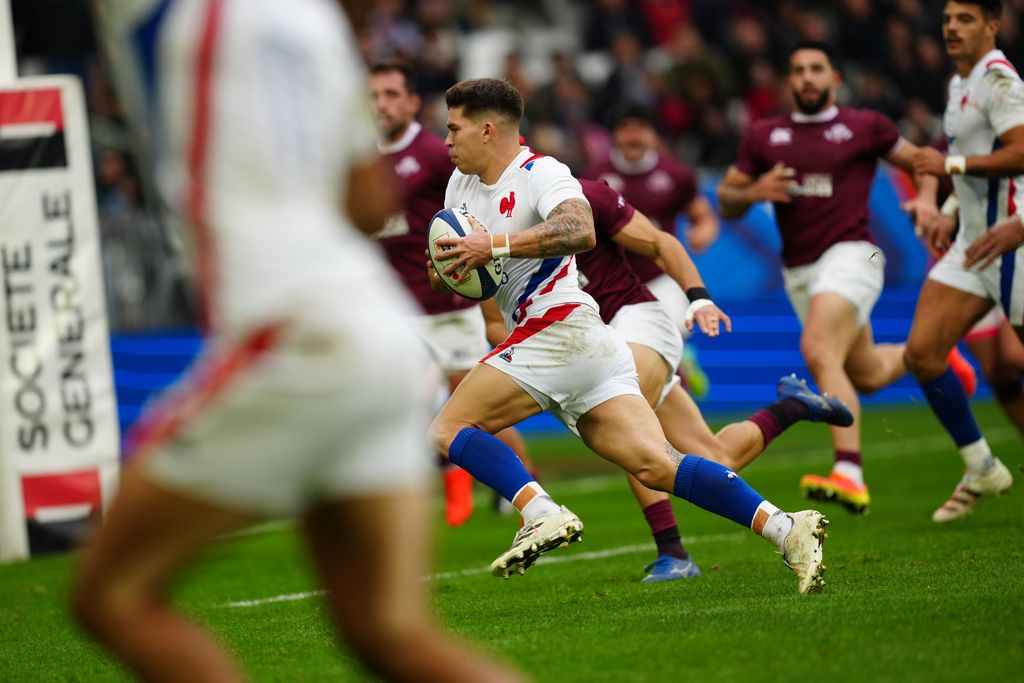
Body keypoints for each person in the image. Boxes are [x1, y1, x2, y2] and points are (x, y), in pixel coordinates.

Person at [76, 3, 521, 682]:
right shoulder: (313, 24)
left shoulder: (180, 15)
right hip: (377, 327)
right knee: (386, 628)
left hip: (291, 330)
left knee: (111, 593)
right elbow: (368, 201)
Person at [429, 77, 829, 594]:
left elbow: (580, 230)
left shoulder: (541, 173)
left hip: (558, 328)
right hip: (588, 342)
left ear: (487, 130)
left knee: (446, 428)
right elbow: (470, 272)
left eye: (453, 128)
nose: (446, 140)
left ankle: (538, 510)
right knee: (660, 465)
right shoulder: (458, 188)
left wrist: (495, 245)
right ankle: (786, 528)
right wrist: (448, 270)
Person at [480, 175, 853, 582]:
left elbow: (662, 243)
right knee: (717, 459)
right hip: (579, 349)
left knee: (616, 418)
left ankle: (672, 552)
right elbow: (495, 328)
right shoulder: (484, 228)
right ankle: (794, 405)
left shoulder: (580, 196)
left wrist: (699, 298)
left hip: (636, 321)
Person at [716, 40, 973, 515]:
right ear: (789, 81)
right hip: (800, 269)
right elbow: (728, 198)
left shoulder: (864, 125)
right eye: (798, 70)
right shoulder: (764, 135)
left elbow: (923, 161)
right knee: (866, 374)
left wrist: (927, 199)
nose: (807, 77)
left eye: (816, 68)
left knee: (818, 350)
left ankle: (849, 471)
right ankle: (935, 354)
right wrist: (754, 189)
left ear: (834, 79)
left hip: (858, 253)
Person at [368, 60, 533, 527]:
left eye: (391, 94)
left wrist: (489, 311)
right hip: (397, 311)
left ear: (411, 102)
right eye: (374, 96)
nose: (382, 104)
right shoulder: (363, 159)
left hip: (450, 306)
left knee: (474, 408)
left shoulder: (437, 151)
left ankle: (522, 477)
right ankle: (443, 484)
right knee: (400, 404)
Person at [908, 0, 1021, 521]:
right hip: (972, 244)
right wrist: (949, 208)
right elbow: (974, 168)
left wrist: (950, 164)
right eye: (949, 19)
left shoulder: (998, 79)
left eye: (966, 19)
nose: (952, 27)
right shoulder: (959, 84)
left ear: (992, 26)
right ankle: (981, 465)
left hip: (1012, 239)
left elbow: (1022, 151)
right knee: (923, 353)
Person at [585, 103, 720, 397]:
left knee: (658, 336)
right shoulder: (595, 175)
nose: (633, 136)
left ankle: (677, 365)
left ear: (654, 135)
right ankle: (678, 370)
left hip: (660, 276)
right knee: (624, 353)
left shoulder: (675, 175)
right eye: (625, 128)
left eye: (641, 128)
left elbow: (704, 215)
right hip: (613, 282)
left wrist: (703, 233)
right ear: (614, 135)